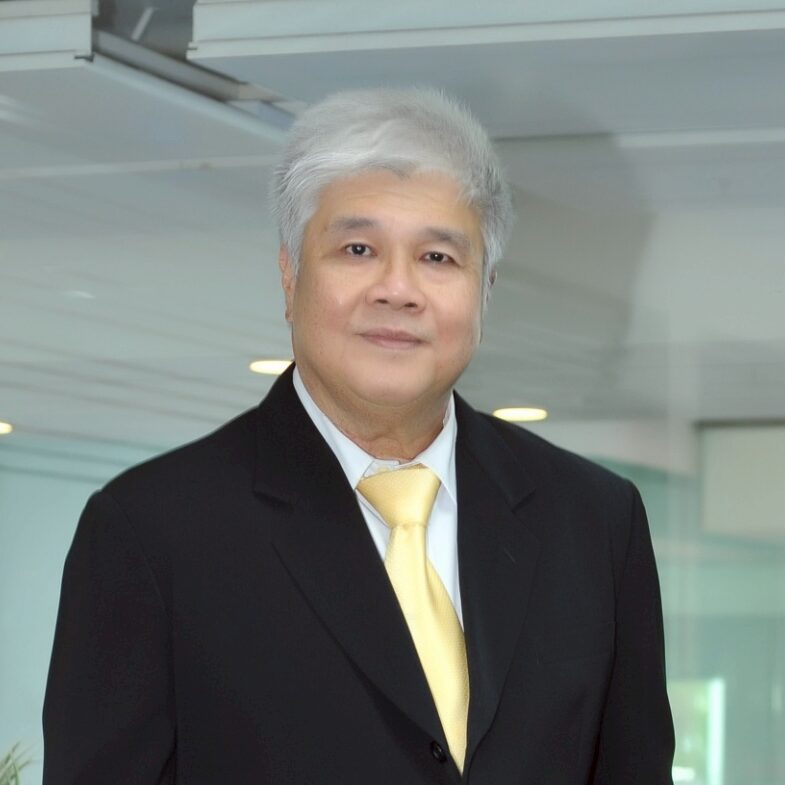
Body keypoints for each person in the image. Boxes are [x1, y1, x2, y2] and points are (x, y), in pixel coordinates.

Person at [43, 88, 674, 784]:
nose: (397, 289)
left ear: (486, 289)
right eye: (357, 248)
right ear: (289, 274)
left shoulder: (593, 522)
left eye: (438, 257)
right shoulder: (152, 532)